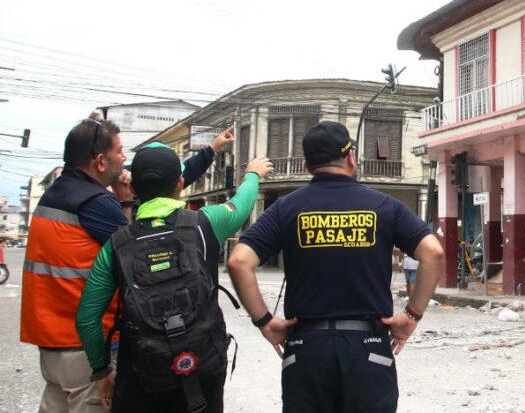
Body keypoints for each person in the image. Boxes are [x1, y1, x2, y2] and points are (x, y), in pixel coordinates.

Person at [227, 121, 444, 413]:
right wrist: (412, 315)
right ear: (351, 158)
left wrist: (264, 322)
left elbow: (239, 261)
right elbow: (433, 252)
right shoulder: (384, 206)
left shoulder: (285, 209)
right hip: (368, 347)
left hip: (306, 346)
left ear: (307, 165)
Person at [20, 119, 234, 413]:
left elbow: (159, 181)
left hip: (51, 341)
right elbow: (139, 243)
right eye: (120, 152)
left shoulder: (56, 193)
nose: (125, 160)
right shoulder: (95, 204)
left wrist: (210, 150)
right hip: (84, 346)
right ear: (99, 161)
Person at [75, 143, 273, 412]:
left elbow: (87, 318)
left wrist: (101, 371)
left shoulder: (116, 245)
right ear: (180, 184)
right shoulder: (206, 223)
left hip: (140, 375)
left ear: (133, 190)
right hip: (203, 369)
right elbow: (243, 203)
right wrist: (253, 173)